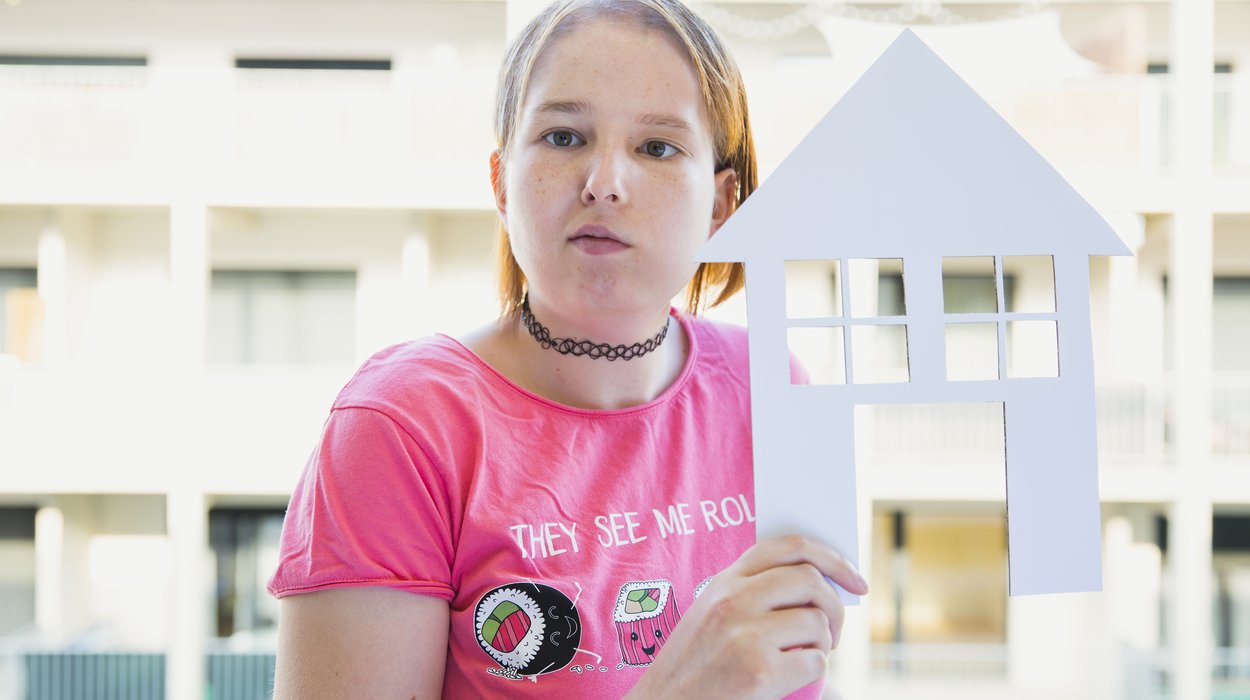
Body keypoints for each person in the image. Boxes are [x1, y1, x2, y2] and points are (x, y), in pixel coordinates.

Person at [267, 0, 869, 697]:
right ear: (501, 182)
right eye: (563, 136)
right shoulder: (400, 426)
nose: (604, 184)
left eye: (657, 147)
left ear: (720, 204)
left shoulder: (770, 386)